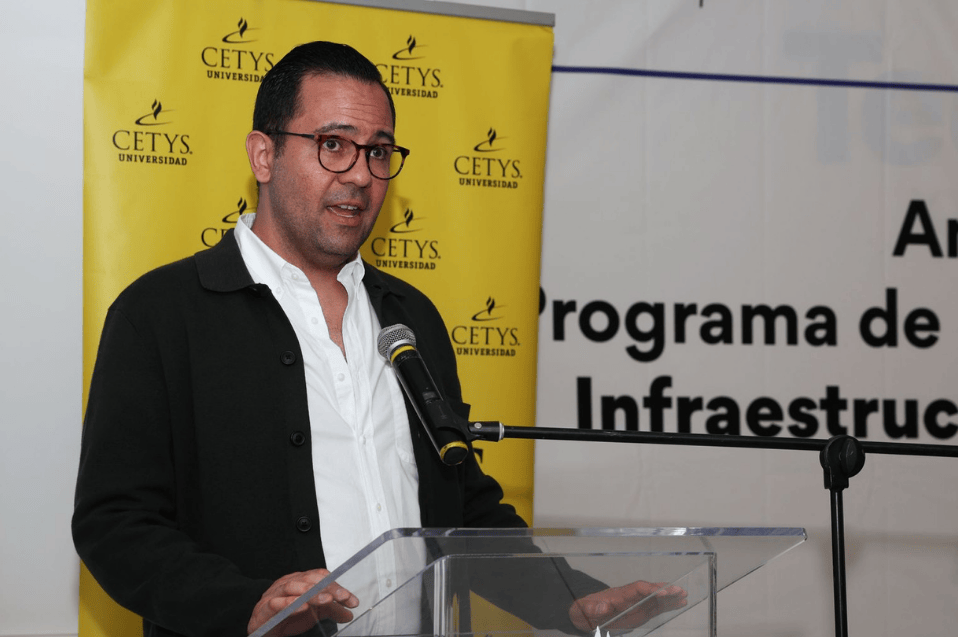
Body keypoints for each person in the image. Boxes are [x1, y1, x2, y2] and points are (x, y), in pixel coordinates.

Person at [73, 41, 685, 637]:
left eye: (379, 152)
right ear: (263, 155)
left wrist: (570, 599)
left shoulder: (410, 318)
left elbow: (461, 507)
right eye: (333, 145)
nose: (361, 175)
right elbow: (116, 523)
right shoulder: (162, 314)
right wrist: (246, 608)